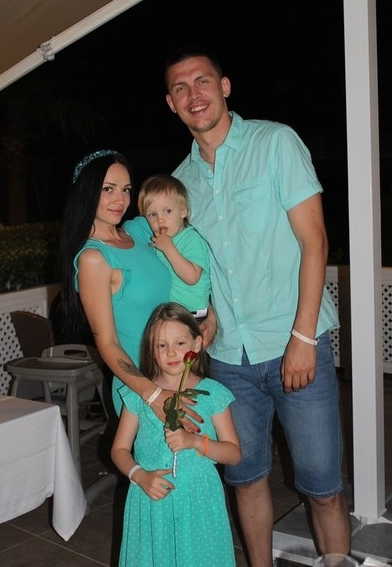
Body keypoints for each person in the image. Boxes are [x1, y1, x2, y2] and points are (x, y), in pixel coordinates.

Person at [164, 46, 351, 566]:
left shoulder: (275, 142)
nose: (194, 94)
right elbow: (202, 270)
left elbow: (314, 241)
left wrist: (303, 338)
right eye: (180, 88)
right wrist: (203, 324)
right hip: (228, 361)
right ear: (171, 104)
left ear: (225, 87)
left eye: (203, 81)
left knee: (323, 489)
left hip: (296, 344)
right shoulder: (181, 183)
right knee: (245, 480)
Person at [58, 149, 201, 427]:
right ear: (87, 192)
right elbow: (107, 343)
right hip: (143, 388)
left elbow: (184, 233)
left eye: (125, 189)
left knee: (201, 454)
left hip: (181, 372)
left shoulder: (140, 229)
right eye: (108, 189)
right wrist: (154, 395)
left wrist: (208, 311)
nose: (120, 199)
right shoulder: (94, 258)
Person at [111, 302, 241, 567]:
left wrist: (196, 441)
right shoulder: (139, 394)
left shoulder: (213, 394)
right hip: (151, 496)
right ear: (152, 350)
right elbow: (119, 450)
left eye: (179, 343)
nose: (171, 352)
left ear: (197, 344)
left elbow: (233, 453)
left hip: (199, 498)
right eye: (161, 345)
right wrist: (139, 475)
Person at [138, 173, 211, 321]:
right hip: (171, 313)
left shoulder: (191, 239)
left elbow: (192, 277)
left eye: (168, 211)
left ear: (183, 211)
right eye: (152, 214)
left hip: (191, 314)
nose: (160, 220)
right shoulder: (159, 240)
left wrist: (169, 248)